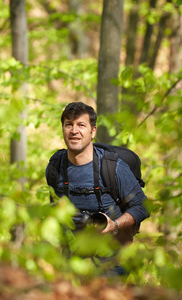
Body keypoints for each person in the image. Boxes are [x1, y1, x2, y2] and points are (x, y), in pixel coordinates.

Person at [46, 101, 149, 246]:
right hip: (72, 259)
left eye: (81, 125)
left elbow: (142, 206)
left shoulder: (113, 167)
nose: (74, 130)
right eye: (69, 124)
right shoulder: (55, 167)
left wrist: (114, 225)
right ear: (63, 128)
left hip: (112, 260)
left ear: (93, 131)